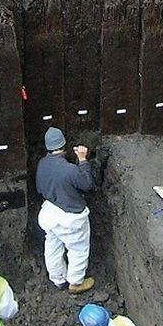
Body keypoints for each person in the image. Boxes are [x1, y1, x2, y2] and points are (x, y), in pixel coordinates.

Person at [35, 126, 95, 294]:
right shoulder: (69, 169)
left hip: (49, 214)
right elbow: (87, 184)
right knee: (78, 249)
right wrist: (83, 160)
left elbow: (40, 188)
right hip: (70, 219)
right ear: (64, 145)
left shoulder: (42, 164)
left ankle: (58, 279)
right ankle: (75, 282)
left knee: (53, 245)